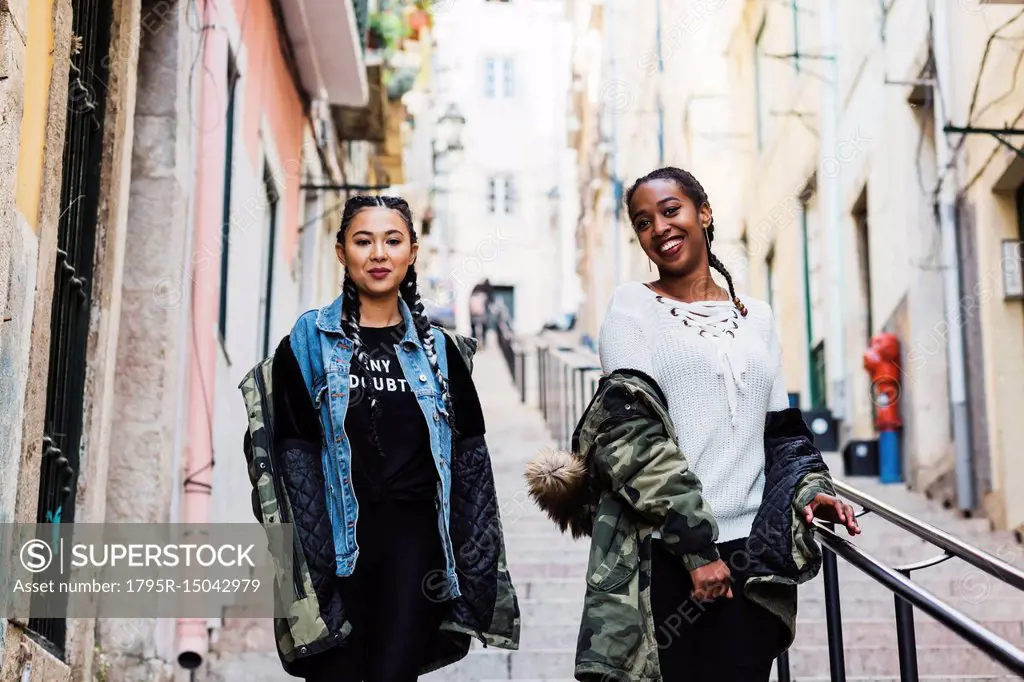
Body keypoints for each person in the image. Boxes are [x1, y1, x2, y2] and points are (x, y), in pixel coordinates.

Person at [524, 167, 860, 682]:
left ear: (703, 213)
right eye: (642, 221)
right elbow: (632, 437)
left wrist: (812, 490)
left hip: (755, 555)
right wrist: (697, 550)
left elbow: (783, 433)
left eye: (670, 210)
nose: (658, 227)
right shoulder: (631, 309)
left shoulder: (759, 319)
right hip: (668, 551)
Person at [239, 195, 520, 681]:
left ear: (413, 251)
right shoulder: (307, 342)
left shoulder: (442, 353)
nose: (378, 254)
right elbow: (294, 459)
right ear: (341, 250)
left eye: (392, 241)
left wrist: (476, 571)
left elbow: (472, 466)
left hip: (416, 557)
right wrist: (314, 572)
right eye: (363, 241)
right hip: (333, 552)